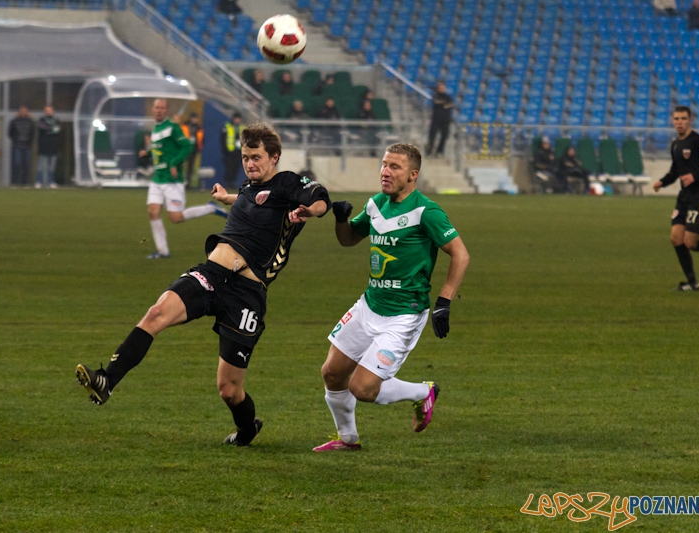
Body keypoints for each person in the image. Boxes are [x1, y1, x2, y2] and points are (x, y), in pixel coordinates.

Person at [76, 122, 332, 447]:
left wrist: (311, 210)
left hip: (246, 296)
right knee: (156, 313)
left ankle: (247, 430)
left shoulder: (288, 184)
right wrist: (226, 197)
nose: (249, 164)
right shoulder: (249, 188)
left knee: (229, 389)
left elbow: (321, 198)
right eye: (245, 158)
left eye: (256, 157)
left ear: (274, 157)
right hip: (210, 276)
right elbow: (250, 198)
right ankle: (106, 380)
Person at [313, 143, 470, 452]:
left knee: (362, 388)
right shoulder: (376, 204)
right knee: (331, 373)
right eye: (384, 164)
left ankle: (423, 392)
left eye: (394, 167)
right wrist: (341, 220)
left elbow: (460, 254)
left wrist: (444, 301)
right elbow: (349, 239)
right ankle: (347, 440)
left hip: (403, 315)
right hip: (369, 305)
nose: (385, 171)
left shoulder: (426, 211)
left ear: (413, 175)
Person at [140, 99, 227, 260]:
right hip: (158, 178)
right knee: (153, 212)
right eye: (156, 107)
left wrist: (174, 163)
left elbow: (187, 146)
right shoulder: (156, 129)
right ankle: (163, 251)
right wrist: (148, 152)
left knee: (176, 218)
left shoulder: (172, 127)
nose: (159, 110)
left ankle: (210, 208)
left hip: (172, 180)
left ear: (166, 110)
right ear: (153, 109)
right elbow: (161, 150)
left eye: (162, 108)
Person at [653, 106, 699, 291]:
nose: (680, 122)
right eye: (676, 119)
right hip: (684, 197)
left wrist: (694, 176)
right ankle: (692, 283)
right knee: (676, 238)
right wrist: (662, 182)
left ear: (690, 120)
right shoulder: (676, 144)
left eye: (683, 118)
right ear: (672, 121)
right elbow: (675, 170)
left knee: (691, 243)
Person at [8, 105, 35, 186]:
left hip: (27, 146)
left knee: (26, 164)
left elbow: (33, 133)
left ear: (27, 112)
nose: (23, 113)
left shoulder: (30, 122)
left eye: (24, 111)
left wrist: (29, 142)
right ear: (19, 112)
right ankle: (15, 182)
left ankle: (25, 182)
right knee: (17, 164)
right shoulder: (14, 121)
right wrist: (15, 140)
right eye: (21, 111)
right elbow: (10, 133)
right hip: (17, 146)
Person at [426, 81, 454, 157]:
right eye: (440, 87)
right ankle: (429, 152)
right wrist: (444, 104)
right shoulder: (436, 96)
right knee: (432, 136)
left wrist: (443, 104)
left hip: (445, 120)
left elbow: (450, 105)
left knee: (444, 136)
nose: (442, 89)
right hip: (436, 119)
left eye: (443, 87)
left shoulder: (447, 97)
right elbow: (436, 103)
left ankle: (439, 151)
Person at [36, 105, 61, 189]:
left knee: (51, 167)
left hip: (53, 147)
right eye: (47, 110)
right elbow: (42, 128)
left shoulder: (56, 120)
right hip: (43, 146)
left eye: (50, 110)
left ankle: (51, 182)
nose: (48, 112)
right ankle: (39, 182)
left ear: (52, 111)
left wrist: (48, 130)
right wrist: (51, 129)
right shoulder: (41, 120)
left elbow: (57, 130)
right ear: (44, 111)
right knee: (41, 166)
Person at [220, 112, 244, 190]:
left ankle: (232, 182)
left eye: (238, 119)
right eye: (236, 118)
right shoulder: (227, 126)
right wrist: (224, 150)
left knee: (236, 167)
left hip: (238, 151)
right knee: (229, 167)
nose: (237, 120)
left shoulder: (241, 127)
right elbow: (222, 138)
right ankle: (228, 182)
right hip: (229, 151)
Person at [185, 113, 204, 188]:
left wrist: (199, 147)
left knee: (191, 166)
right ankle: (181, 182)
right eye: (193, 118)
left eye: (195, 118)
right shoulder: (186, 126)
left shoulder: (198, 127)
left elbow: (201, 138)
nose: (194, 120)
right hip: (185, 148)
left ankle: (188, 182)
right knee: (183, 165)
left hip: (194, 148)